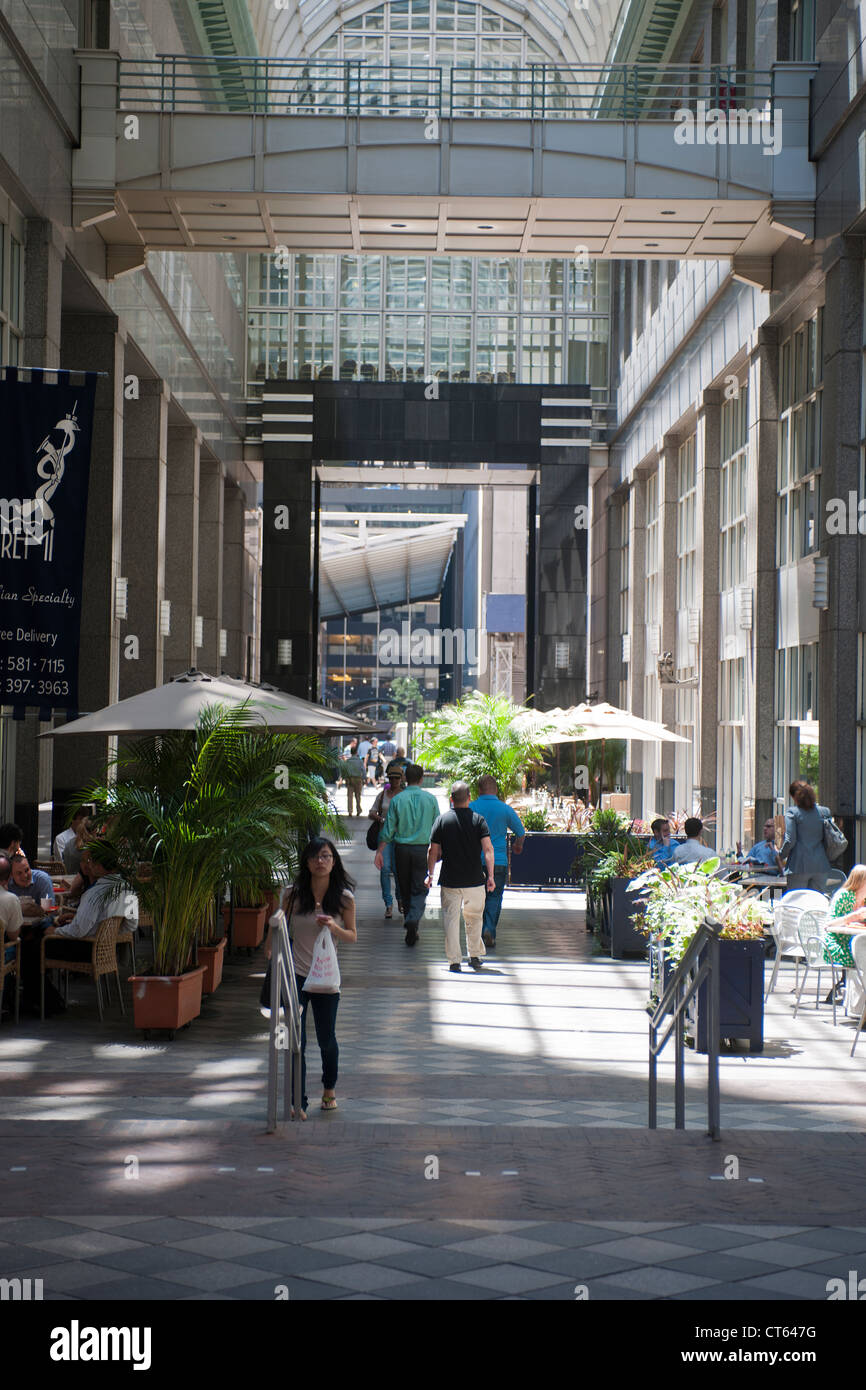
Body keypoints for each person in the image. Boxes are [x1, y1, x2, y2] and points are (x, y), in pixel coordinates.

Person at [268, 837, 356, 1116]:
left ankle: (329, 1088)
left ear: (334, 862)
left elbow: (352, 936)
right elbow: (278, 924)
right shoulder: (293, 895)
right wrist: (271, 949)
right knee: (297, 1039)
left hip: (326, 978)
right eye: (315, 857)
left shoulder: (343, 898)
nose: (321, 861)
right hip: (296, 975)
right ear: (306, 862)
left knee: (326, 1039)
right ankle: (298, 1101)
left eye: (326, 856)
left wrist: (333, 927)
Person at [18, 841, 129, 1015]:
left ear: (99, 865)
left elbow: (78, 931)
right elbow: (131, 923)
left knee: (29, 947)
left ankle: (47, 1002)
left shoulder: (96, 892)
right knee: (37, 936)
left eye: (91, 862)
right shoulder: (126, 886)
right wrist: (107, 932)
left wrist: (55, 931)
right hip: (103, 946)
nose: (88, 866)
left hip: (84, 947)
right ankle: (39, 998)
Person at [427, 782, 495, 972]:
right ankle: (474, 956)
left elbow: (433, 851)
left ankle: (454, 961)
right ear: (469, 798)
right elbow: (488, 849)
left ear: (451, 799)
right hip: (474, 879)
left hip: (450, 880)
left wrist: (430, 874)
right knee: (474, 918)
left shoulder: (442, 821)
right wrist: (490, 875)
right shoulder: (478, 820)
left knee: (451, 920)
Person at [374, 763, 439, 946]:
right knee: (419, 886)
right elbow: (437, 828)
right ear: (421, 778)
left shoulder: (397, 800)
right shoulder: (431, 800)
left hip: (401, 849)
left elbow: (389, 829)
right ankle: (413, 919)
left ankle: (411, 923)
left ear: (404, 779)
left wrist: (380, 850)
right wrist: (438, 849)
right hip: (421, 849)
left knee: (404, 886)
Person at [469, 775, 525, 948]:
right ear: (496, 790)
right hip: (499, 861)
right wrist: (517, 846)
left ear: (479, 790)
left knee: (476, 899)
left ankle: (479, 932)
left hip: (475, 861)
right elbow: (521, 832)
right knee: (494, 898)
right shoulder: (505, 809)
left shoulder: (471, 807)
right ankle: (489, 929)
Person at [780, 779, 833, 891]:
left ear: (795, 797)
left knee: (796, 902)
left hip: (798, 865)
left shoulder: (792, 813)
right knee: (816, 903)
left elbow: (790, 840)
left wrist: (780, 855)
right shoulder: (825, 812)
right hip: (821, 865)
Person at [369, 767, 405, 918]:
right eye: (392, 778)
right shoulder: (383, 794)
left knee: (398, 871)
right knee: (385, 869)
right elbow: (371, 813)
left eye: (397, 778)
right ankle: (388, 904)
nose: (394, 781)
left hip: (401, 836)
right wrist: (382, 819)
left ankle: (400, 899)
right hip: (384, 836)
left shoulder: (405, 795)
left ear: (401, 779)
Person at [342, 743, 365, 817]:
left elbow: (345, 771)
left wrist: (345, 779)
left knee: (350, 796)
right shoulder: (360, 761)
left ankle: (350, 811)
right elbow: (363, 771)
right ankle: (358, 810)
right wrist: (364, 779)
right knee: (358, 796)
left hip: (350, 779)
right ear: (356, 752)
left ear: (351, 753)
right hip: (358, 780)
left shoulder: (348, 761)